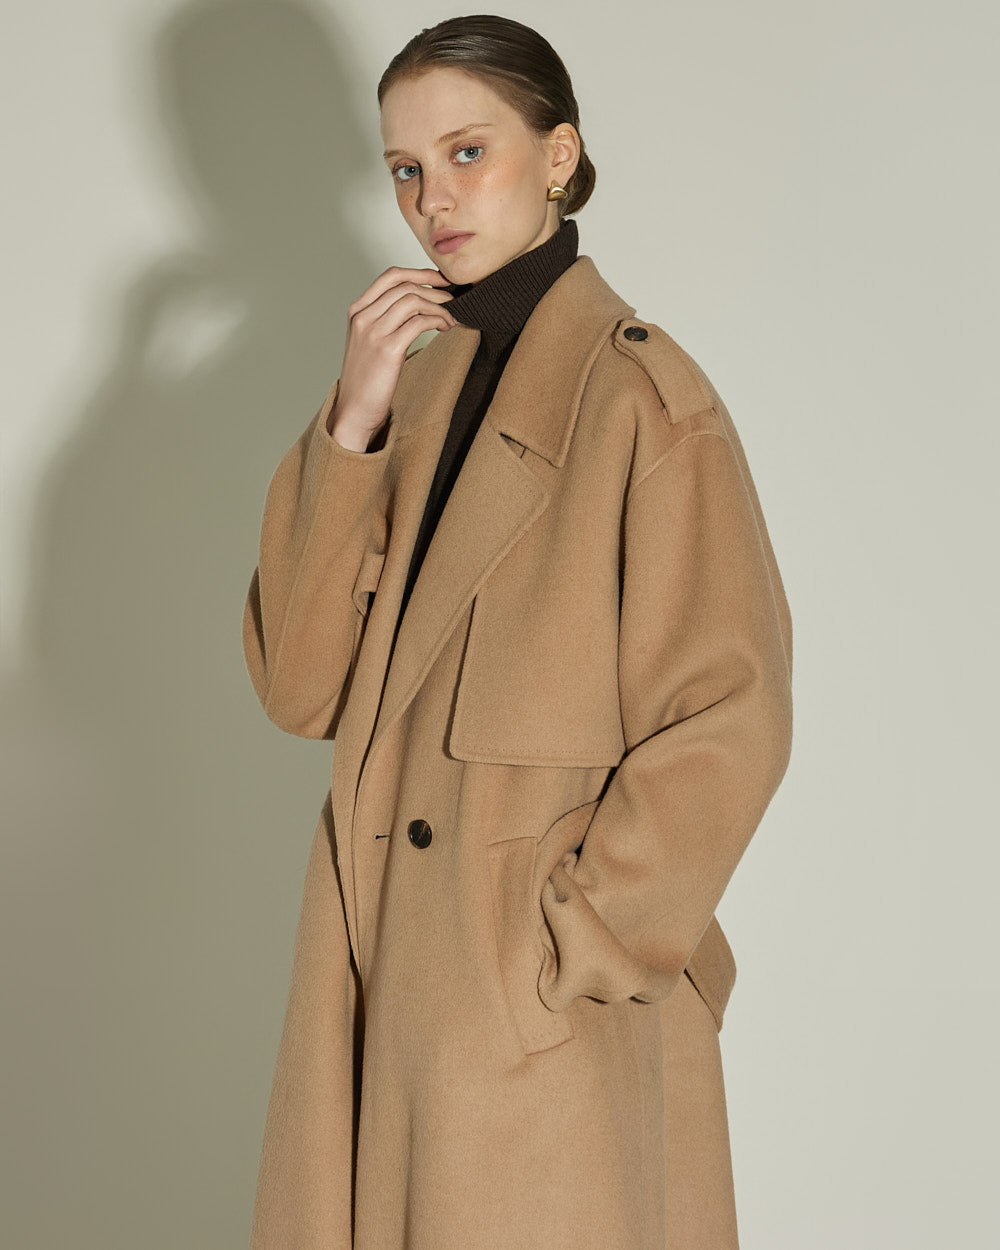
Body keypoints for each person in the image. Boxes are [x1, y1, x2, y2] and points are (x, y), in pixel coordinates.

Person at [241, 14, 793, 1249]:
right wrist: (352, 422)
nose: (431, 197)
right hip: (378, 988)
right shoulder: (415, 387)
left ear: (557, 155)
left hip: (535, 1024)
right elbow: (298, 685)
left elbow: (731, 713)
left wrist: (569, 944)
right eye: (404, 167)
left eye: (466, 151)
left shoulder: (645, 400)